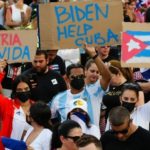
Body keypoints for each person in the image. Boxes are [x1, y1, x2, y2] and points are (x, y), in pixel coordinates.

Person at [50, 43, 111, 127]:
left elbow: (107, 77)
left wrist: (93, 54)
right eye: (74, 77)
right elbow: (52, 119)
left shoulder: (95, 91)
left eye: (81, 76)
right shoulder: (58, 99)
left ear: (85, 76)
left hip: (92, 139)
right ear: (67, 79)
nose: (78, 79)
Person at [0, 61, 33, 150]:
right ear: (14, 92)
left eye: (26, 89)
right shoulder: (8, 105)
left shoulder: (37, 107)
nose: (23, 92)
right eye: (19, 90)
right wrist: (0, 73)